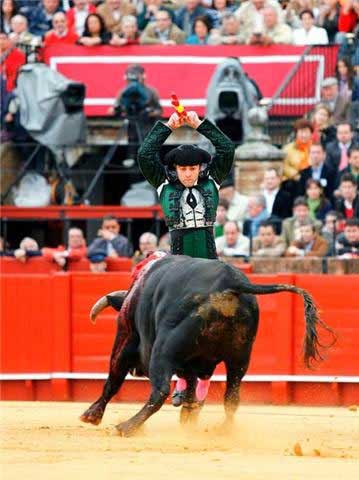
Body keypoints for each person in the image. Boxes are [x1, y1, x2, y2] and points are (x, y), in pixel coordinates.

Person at [137, 109, 235, 407]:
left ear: (200, 168)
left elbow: (227, 149)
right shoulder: (164, 185)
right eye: (183, 169)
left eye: (193, 168)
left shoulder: (212, 182)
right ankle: (181, 382)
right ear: (175, 170)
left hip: (208, 265)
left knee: (216, 326)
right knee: (170, 324)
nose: (188, 172)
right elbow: (145, 154)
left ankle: (204, 380)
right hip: (178, 267)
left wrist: (199, 124)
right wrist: (169, 126)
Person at [109, 64, 162, 160]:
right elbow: (114, 109)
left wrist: (148, 113)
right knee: (132, 156)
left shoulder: (151, 91)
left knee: (150, 157)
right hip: (132, 129)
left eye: (136, 76)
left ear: (143, 76)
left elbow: (159, 111)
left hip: (148, 128)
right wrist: (117, 110)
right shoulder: (123, 92)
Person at [282, 118, 314, 183]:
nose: (304, 135)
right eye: (301, 132)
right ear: (296, 133)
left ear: (311, 133)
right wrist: (296, 176)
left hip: (312, 182)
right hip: (293, 181)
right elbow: (284, 165)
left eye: (306, 132)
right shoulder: (288, 148)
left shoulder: (315, 148)